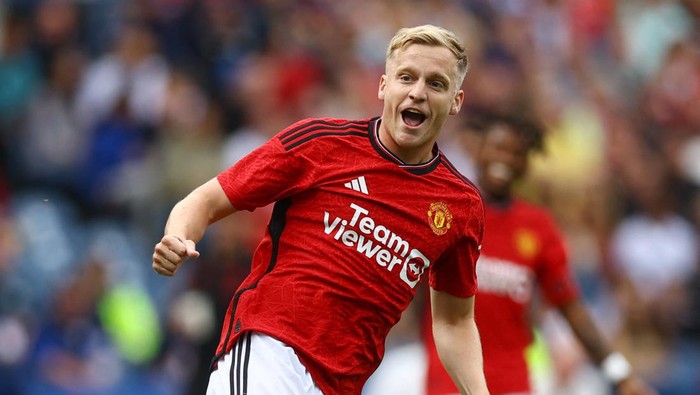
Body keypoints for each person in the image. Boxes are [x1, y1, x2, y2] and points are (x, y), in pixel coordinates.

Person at [152, 25, 490, 395]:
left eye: (436, 84)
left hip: (342, 384)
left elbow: (455, 322)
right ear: (383, 86)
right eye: (406, 78)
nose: (418, 93)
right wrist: (177, 235)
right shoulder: (320, 143)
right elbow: (206, 200)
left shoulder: (461, 206)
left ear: (456, 101)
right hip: (270, 350)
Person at [423, 112, 658, 395]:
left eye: (517, 153)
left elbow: (571, 308)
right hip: (448, 382)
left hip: (511, 384)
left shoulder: (538, 227)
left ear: (526, 163)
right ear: (479, 149)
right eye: (498, 148)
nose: (506, 160)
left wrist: (620, 375)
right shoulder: (447, 211)